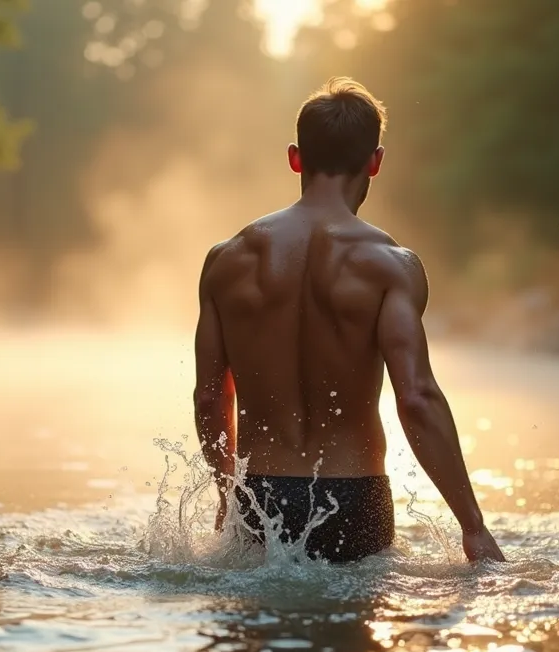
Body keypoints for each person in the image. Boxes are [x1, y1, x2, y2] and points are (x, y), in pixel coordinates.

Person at [192, 77, 504, 564]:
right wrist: (473, 526)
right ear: (375, 162)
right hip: (354, 500)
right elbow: (417, 398)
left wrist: (227, 496)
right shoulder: (389, 265)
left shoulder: (228, 260)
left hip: (259, 495)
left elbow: (211, 397)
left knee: (250, 634)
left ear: (296, 157)